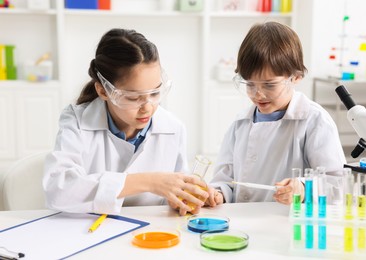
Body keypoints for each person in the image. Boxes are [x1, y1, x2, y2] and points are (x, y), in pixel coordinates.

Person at [43, 28, 211, 216]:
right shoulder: (77, 121)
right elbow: (58, 191)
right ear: (103, 91)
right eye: (133, 97)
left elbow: (175, 196)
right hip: (90, 232)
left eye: (155, 93)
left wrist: (188, 197)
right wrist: (150, 182)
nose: (147, 107)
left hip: (150, 234)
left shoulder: (173, 128)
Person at [205, 21, 346, 206]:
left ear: (295, 77)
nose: (258, 94)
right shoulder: (240, 123)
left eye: (269, 85)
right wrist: (218, 194)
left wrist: (303, 188)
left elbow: (336, 182)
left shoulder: (314, 121)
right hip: (242, 223)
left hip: (287, 224)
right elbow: (225, 179)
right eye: (250, 84)